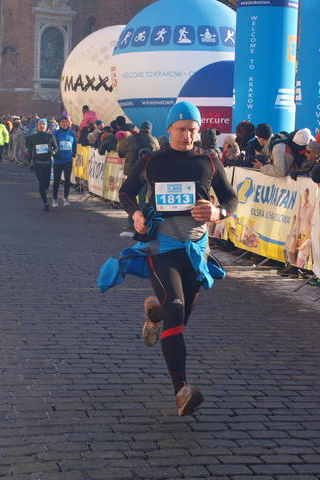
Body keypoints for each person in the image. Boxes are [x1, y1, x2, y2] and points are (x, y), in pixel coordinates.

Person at [105, 101, 238, 416]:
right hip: (161, 247)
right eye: (181, 129)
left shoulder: (208, 161)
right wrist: (136, 214)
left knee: (179, 317)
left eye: (192, 130)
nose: (187, 136)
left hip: (196, 250)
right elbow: (126, 192)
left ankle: (155, 313)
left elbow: (231, 198)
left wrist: (217, 212)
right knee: (176, 310)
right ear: (169, 129)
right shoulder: (152, 161)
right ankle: (182, 390)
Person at [26, 119, 58, 211]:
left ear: (46, 126)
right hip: (37, 163)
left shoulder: (50, 136)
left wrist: (53, 152)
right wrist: (29, 156)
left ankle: (44, 192)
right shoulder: (33, 137)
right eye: (40, 124)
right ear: (37, 126)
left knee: (46, 184)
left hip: (47, 163)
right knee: (41, 183)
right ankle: (45, 203)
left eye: (43, 124)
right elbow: (28, 147)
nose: (42, 125)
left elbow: (56, 148)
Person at [52, 117, 77, 208]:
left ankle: (65, 197)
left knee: (67, 180)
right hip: (58, 161)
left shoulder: (72, 134)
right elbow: (51, 144)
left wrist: (74, 152)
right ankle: (54, 198)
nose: (64, 123)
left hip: (68, 160)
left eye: (66, 122)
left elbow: (74, 145)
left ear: (69, 123)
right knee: (56, 181)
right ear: (59, 123)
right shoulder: (55, 133)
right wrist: (53, 153)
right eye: (62, 122)